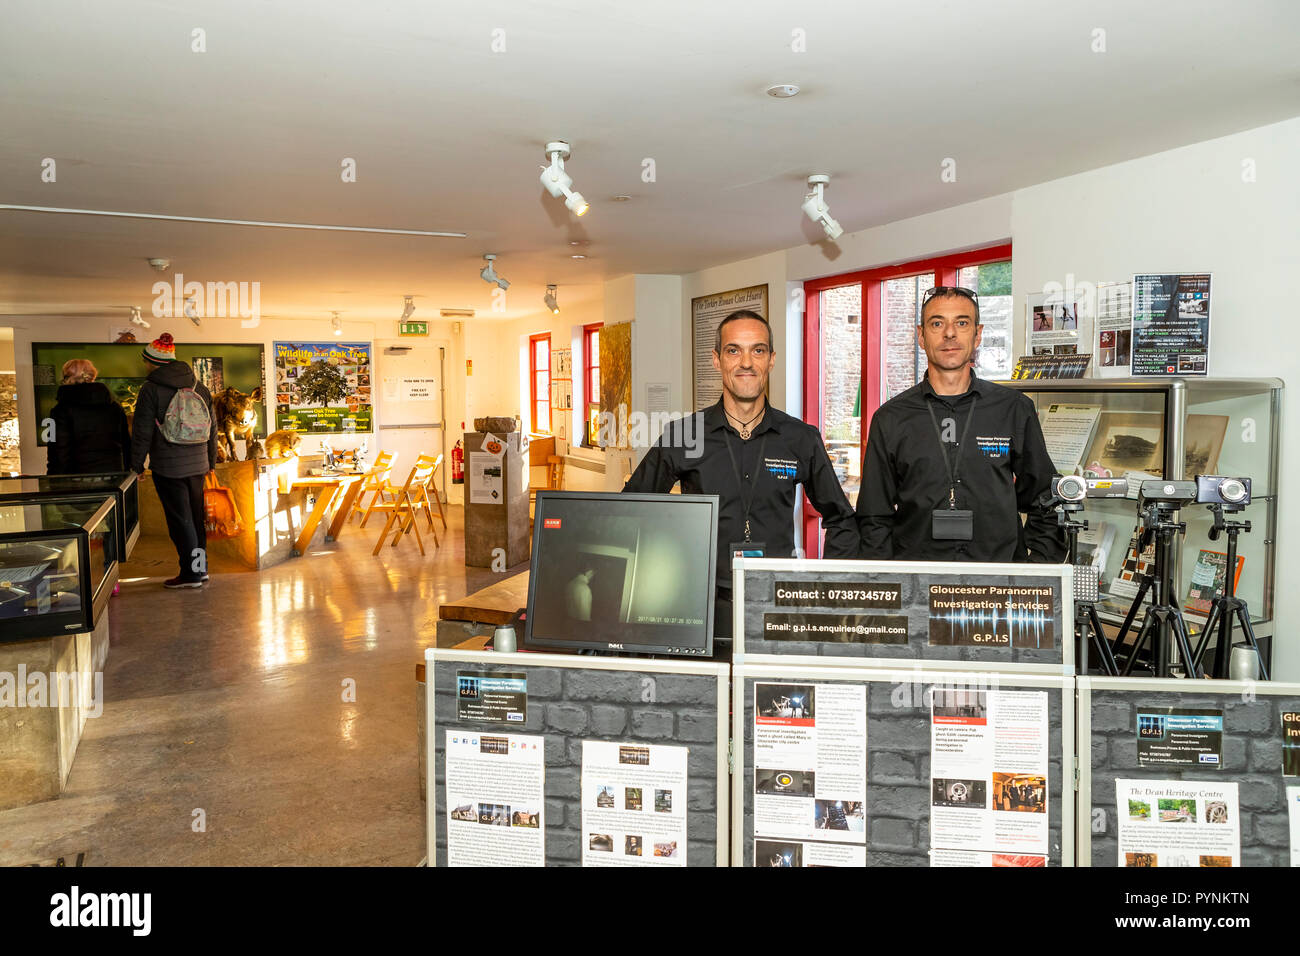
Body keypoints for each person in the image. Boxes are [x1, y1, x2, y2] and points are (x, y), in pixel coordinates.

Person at [623, 310, 857, 654]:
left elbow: (843, 520)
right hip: (700, 605)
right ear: (717, 360)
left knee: (770, 702)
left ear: (772, 360)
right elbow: (632, 510)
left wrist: (822, 588)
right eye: (734, 351)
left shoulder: (800, 438)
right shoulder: (684, 435)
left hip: (777, 604)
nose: (746, 362)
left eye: (758, 350)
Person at [857, 286, 1065, 563]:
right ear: (920, 336)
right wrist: (887, 588)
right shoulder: (891, 418)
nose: (950, 333)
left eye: (962, 323)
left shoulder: (1014, 409)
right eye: (937, 323)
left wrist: (1037, 569)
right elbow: (874, 515)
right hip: (918, 584)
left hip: (999, 583)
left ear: (977, 334)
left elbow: (1045, 498)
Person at [129, 333, 218, 589]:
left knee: (181, 520)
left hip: (169, 467)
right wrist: (210, 462)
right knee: (196, 518)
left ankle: (190, 575)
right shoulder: (199, 386)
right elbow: (212, 428)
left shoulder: (151, 389)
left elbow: (142, 430)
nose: (145, 365)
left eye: (146, 361)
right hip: (198, 464)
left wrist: (137, 465)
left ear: (152, 362)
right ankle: (200, 570)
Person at [46, 359, 132, 473]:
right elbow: (126, 442)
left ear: (67, 378)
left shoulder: (60, 410)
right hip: (113, 475)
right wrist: (126, 471)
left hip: (75, 478)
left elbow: (56, 449)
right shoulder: (115, 407)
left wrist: (53, 478)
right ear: (92, 376)